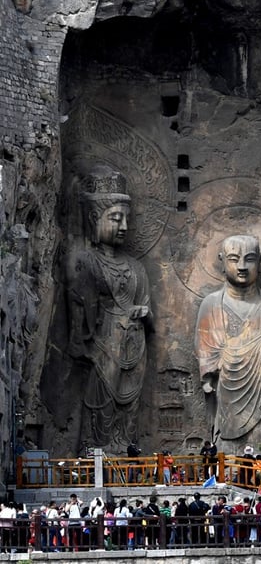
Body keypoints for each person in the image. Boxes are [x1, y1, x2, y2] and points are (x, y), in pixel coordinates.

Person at [66, 164, 151, 451]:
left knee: (130, 410)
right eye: (115, 219)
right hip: (103, 346)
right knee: (100, 401)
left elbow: (148, 312)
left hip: (134, 345)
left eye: (126, 219)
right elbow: (78, 313)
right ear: (94, 218)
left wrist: (143, 313)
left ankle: (127, 450)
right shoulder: (86, 261)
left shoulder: (137, 267)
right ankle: (95, 451)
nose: (123, 227)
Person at [196, 235, 261, 451]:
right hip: (226, 384)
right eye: (234, 259)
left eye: (249, 259)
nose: (242, 267)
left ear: (259, 261)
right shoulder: (211, 304)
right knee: (225, 443)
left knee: (260, 439)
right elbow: (204, 347)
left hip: (259, 385)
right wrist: (212, 369)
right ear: (222, 261)